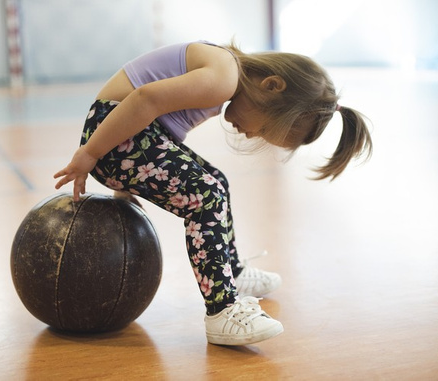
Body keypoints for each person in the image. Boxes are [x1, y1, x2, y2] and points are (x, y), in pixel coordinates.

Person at [54, 41, 373, 346]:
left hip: (131, 136)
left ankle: (231, 271)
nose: (250, 134)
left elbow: (159, 134)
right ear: (271, 86)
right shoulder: (223, 78)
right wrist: (91, 152)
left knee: (215, 182)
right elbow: (144, 99)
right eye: (263, 129)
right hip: (115, 135)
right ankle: (221, 310)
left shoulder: (225, 70)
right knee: (205, 194)